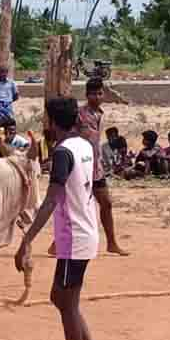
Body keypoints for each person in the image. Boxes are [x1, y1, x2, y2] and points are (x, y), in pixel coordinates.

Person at [14, 97, 106, 340]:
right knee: (62, 298)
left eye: (46, 119)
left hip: (74, 237)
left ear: (52, 122)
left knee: (67, 304)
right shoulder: (84, 146)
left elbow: (52, 200)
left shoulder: (64, 152)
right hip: (84, 232)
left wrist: (27, 240)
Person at [52, 78, 128, 256]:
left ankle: (112, 243)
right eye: (93, 93)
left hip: (96, 166)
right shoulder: (79, 114)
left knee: (106, 204)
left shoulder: (100, 114)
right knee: (76, 206)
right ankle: (57, 243)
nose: (96, 96)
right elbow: (66, 133)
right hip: (80, 165)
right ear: (87, 95)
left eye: (99, 93)